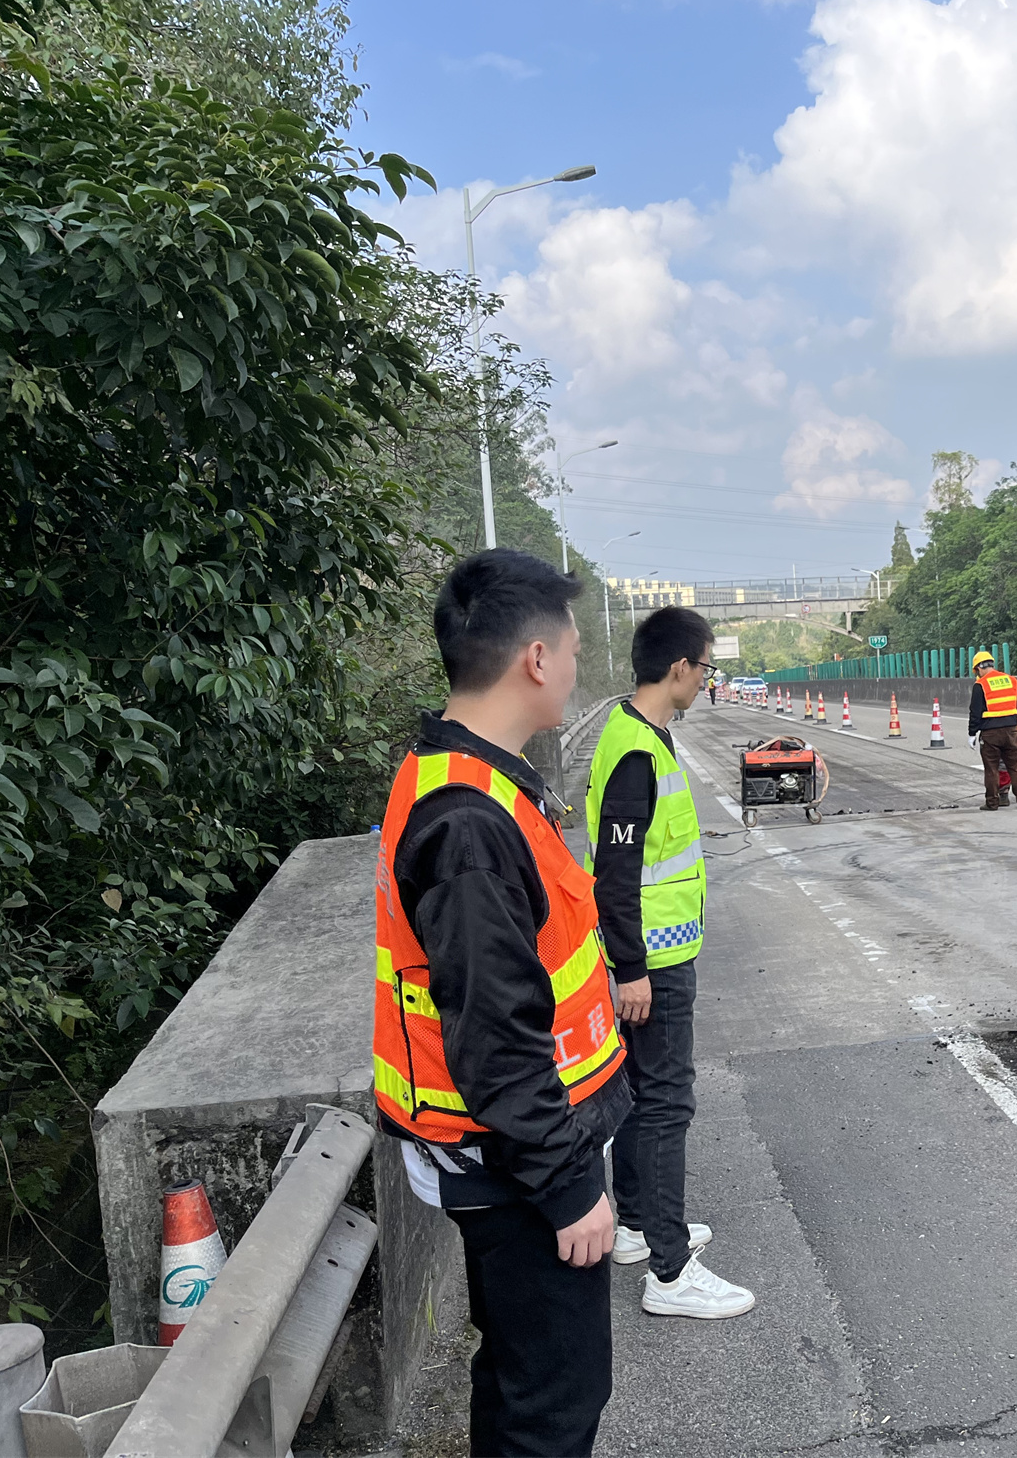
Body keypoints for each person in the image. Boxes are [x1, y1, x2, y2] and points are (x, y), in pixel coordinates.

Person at [372, 548, 631, 1458]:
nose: (575, 667)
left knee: (520, 1376)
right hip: (516, 1162)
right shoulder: (472, 821)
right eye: (569, 647)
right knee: (556, 1400)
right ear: (534, 658)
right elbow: (494, 1035)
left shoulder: (470, 779)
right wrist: (568, 1188)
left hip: (509, 1150)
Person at [586, 606, 756, 1318]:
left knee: (639, 1099)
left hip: (653, 955)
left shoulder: (641, 735)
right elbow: (615, 874)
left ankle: (635, 1227)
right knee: (665, 1103)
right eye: (706, 667)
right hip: (651, 963)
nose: (706, 680)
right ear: (681, 667)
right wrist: (631, 970)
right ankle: (670, 1271)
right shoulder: (635, 749)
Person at [967, 650, 1017, 812]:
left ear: (979, 668)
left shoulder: (980, 685)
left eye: (977, 671)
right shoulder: (1011, 680)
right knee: (1015, 766)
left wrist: (972, 733)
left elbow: (975, 711)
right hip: (1011, 730)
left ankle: (992, 803)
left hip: (990, 733)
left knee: (992, 768)